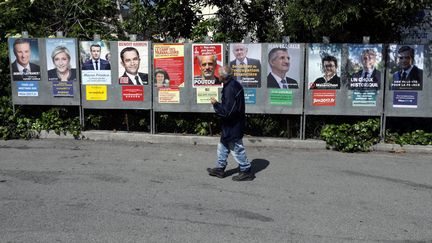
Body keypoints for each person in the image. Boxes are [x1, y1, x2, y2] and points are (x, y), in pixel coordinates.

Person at [207, 65, 254, 181]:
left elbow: (227, 112)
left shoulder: (230, 89)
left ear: (223, 77)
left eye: (219, 74)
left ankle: (246, 170)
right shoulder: (232, 84)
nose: (218, 76)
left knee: (237, 148)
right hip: (229, 124)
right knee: (222, 146)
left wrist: (216, 104)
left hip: (234, 124)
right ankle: (220, 168)